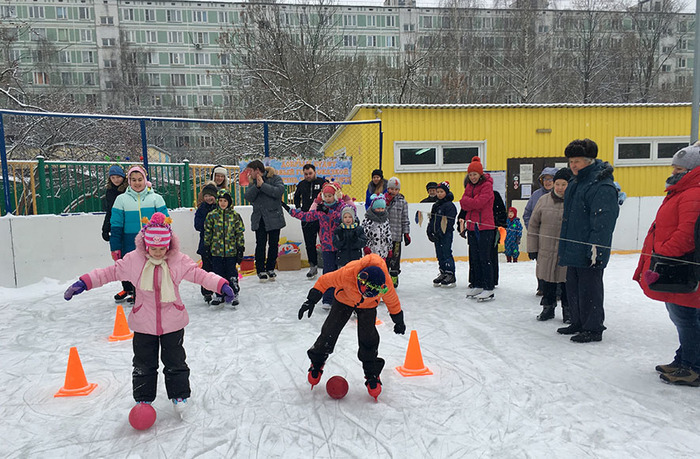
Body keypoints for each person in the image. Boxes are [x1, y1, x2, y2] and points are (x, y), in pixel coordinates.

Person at [64, 212, 235, 413]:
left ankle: (179, 395)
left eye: (162, 248)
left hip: (173, 321)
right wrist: (85, 282)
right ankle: (143, 399)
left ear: (169, 245)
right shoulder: (133, 261)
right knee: (143, 363)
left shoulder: (178, 261)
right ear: (145, 245)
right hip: (143, 322)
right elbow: (109, 273)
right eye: (153, 248)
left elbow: (200, 275)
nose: (157, 252)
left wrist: (221, 284)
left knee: (175, 361)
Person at [634, 145, 700, 386]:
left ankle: (693, 366)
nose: (674, 171)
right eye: (674, 166)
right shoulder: (682, 191)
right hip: (675, 263)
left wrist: (662, 253)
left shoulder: (693, 193)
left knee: (685, 316)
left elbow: (687, 235)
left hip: (682, 266)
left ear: (693, 170)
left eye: (680, 168)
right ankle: (684, 359)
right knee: (683, 315)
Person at [297, 253, 406, 400]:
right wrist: (311, 300)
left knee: (369, 338)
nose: (367, 295)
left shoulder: (384, 283)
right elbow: (324, 281)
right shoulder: (348, 273)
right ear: (361, 281)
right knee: (330, 331)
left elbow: (392, 300)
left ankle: (372, 373)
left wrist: (398, 320)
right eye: (366, 292)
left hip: (368, 307)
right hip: (344, 299)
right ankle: (317, 362)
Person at [557, 139, 619, 343]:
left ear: (590, 161)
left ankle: (593, 328)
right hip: (573, 244)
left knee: (589, 288)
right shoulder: (576, 183)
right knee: (573, 286)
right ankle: (577, 321)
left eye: (577, 161)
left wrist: (596, 250)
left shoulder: (601, 186)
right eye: (571, 161)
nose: (573, 165)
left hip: (589, 248)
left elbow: (603, 222)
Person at [110, 165, 169, 304]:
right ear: (129, 181)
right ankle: (138, 299)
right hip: (129, 243)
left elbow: (166, 223)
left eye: (140, 179)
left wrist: (166, 242)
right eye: (133, 179)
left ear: (145, 179)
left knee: (153, 272)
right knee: (135, 273)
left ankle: (155, 298)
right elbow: (116, 225)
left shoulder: (156, 199)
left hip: (152, 243)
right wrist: (115, 246)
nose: (137, 183)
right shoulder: (121, 200)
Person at [285, 182, 345, 309]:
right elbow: (307, 216)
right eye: (326, 196)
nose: (328, 198)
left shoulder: (341, 207)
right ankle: (327, 299)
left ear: (335, 196)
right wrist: (291, 211)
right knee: (328, 273)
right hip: (327, 246)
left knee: (341, 273)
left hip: (340, 246)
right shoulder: (320, 209)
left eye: (330, 196)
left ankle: (341, 299)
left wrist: (328, 211)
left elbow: (342, 218)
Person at [527, 168, 572, 322]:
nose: (559, 187)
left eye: (563, 184)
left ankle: (568, 311)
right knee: (547, 281)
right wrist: (532, 248)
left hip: (566, 251)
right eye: (557, 184)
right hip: (546, 249)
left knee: (566, 283)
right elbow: (533, 225)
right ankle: (548, 308)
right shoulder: (543, 200)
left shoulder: (574, 202)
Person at [459, 157, 495, 302]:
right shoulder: (469, 186)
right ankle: (478, 284)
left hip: (485, 227)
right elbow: (463, 203)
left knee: (485, 257)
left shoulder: (487, 186)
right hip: (472, 226)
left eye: (475, 174)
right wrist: (471, 202)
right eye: (470, 174)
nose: (472, 177)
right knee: (475, 257)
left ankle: (489, 287)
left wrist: (470, 202)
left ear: (480, 174)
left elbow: (480, 203)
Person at [244, 160, 286, 282]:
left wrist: (263, 185)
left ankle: (271, 268)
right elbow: (248, 197)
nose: (249, 173)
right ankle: (260, 270)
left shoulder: (275, 178)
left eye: (250, 171)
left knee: (273, 244)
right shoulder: (252, 182)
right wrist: (257, 186)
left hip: (274, 217)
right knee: (260, 244)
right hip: (260, 218)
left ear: (257, 170)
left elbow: (279, 191)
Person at [204, 189, 244, 307]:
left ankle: (234, 293)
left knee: (231, 272)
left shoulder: (235, 216)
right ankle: (219, 294)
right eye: (220, 200)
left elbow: (239, 233)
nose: (222, 203)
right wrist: (206, 246)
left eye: (225, 201)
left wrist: (240, 248)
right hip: (216, 251)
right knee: (217, 273)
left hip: (231, 251)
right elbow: (208, 232)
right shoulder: (212, 216)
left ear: (229, 202)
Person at [523, 167, 558, 295]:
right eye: (545, 179)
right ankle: (542, 287)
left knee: (557, 264)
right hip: (539, 237)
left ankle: (557, 289)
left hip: (555, 237)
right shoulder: (536, 195)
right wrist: (532, 229)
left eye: (550, 179)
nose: (548, 182)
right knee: (541, 263)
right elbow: (527, 214)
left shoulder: (562, 194)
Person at [101, 164, 129, 302]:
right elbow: (109, 211)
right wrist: (105, 228)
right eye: (113, 177)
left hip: (128, 226)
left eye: (118, 177)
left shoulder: (128, 190)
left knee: (132, 258)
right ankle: (126, 287)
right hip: (116, 227)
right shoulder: (110, 192)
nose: (116, 180)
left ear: (123, 177)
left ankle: (137, 289)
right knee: (120, 259)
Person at [293, 164, 327, 279]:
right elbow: (296, 197)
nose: (308, 176)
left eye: (310, 173)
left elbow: (330, 196)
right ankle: (313, 266)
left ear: (315, 172)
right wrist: (298, 208)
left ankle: (328, 266)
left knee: (325, 242)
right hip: (307, 218)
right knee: (309, 243)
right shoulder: (301, 184)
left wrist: (325, 209)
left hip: (321, 218)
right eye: (306, 174)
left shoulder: (323, 182)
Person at [427, 181, 457, 287]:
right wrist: (430, 231)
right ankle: (443, 271)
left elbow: (449, 222)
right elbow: (432, 219)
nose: (439, 194)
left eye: (441, 192)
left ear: (446, 192)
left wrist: (441, 232)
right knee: (439, 253)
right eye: (437, 192)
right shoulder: (436, 205)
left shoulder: (449, 206)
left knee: (446, 252)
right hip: (436, 235)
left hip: (446, 235)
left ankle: (450, 273)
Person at [193, 182, 219, 303]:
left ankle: (220, 289)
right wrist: (208, 225)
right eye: (206, 196)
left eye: (211, 195)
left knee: (218, 268)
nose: (208, 198)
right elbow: (197, 225)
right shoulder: (201, 209)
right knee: (207, 268)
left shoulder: (220, 207)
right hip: (205, 244)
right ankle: (207, 292)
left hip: (219, 244)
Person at [385, 177, 411, 288]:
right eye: (391, 189)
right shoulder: (383, 200)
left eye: (396, 189)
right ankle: (385, 277)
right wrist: (386, 203)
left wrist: (406, 233)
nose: (393, 191)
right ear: (388, 189)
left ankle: (394, 277)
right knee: (385, 258)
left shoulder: (403, 202)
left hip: (396, 237)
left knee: (395, 258)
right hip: (384, 236)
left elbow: (405, 218)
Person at [362, 194, 393, 260]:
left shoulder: (385, 220)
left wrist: (390, 248)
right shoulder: (368, 220)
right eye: (378, 208)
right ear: (373, 208)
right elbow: (364, 234)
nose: (380, 210)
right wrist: (366, 246)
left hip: (383, 251)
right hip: (371, 251)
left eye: (382, 208)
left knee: (381, 267)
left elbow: (388, 235)